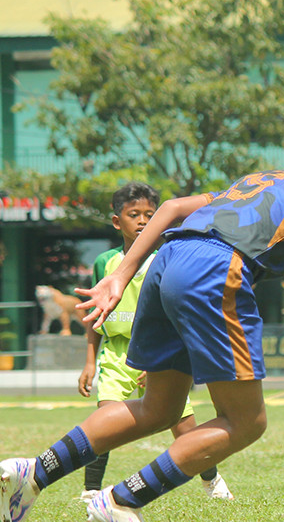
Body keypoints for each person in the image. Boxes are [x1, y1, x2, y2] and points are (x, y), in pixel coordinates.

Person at [0, 101, 284, 522]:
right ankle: (121, 501)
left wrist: (119, 275)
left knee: (159, 408)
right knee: (246, 420)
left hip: (168, 262)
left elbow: (171, 209)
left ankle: (33, 473)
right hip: (215, 271)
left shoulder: (258, 179)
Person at [77, 182, 233, 502]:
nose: (143, 220)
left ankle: (213, 482)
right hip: (117, 355)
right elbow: (94, 314)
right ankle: (91, 490)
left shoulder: (167, 257)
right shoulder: (104, 263)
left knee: (185, 428)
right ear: (117, 221)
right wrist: (90, 361)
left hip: (159, 351)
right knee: (105, 422)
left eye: (150, 214)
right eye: (133, 214)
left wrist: (160, 358)